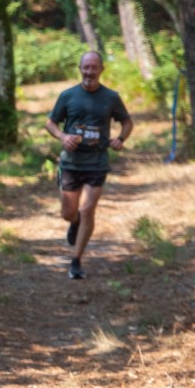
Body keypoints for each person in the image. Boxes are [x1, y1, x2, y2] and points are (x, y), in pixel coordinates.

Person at [45, 50, 134, 280]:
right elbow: (50, 123)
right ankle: (74, 223)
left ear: (101, 70)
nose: (89, 72)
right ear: (80, 69)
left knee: (87, 209)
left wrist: (120, 139)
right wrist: (63, 137)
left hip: (97, 161)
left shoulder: (111, 97)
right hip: (71, 162)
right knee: (68, 213)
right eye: (86, 67)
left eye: (94, 67)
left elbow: (127, 121)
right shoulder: (68, 95)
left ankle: (76, 261)